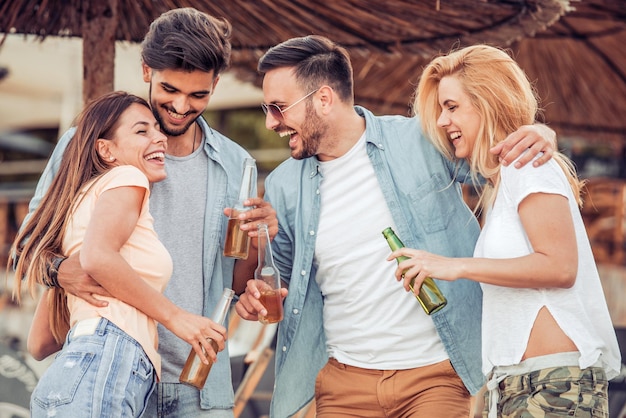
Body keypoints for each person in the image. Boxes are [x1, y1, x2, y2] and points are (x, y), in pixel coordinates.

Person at [235, 35, 557, 418]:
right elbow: (284, 284)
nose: (271, 122)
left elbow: (496, 157)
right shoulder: (283, 185)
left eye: (279, 107)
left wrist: (540, 132)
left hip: (434, 376)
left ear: (323, 99)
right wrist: (257, 266)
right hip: (342, 383)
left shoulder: (421, 139)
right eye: (266, 108)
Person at [19, 8, 277, 418]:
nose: (179, 106)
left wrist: (261, 237)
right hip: (105, 366)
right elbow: (27, 247)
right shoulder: (87, 144)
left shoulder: (236, 164)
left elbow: (237, 279)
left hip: (197, 383)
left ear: (215, 84)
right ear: (145, 70)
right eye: (170, 89)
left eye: (198, 95)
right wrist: (60, 270)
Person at [389, 44, 622, 417]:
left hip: (553, 385)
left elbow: (560, 267)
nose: (443, 121)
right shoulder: (502, 181)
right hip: (521, 384)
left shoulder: (528, 167)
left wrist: (456, 266)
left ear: (487, 101)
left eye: (452, 107)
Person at [11, 91, 228, 417]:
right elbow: (98, 258)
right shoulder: (128, 177)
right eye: (142, 131)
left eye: (157, 129)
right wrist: (176, 318)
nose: (160, 138)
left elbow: (39, 343)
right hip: (107, 364)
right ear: (106, 150)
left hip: (74, 370)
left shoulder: (78, 208)